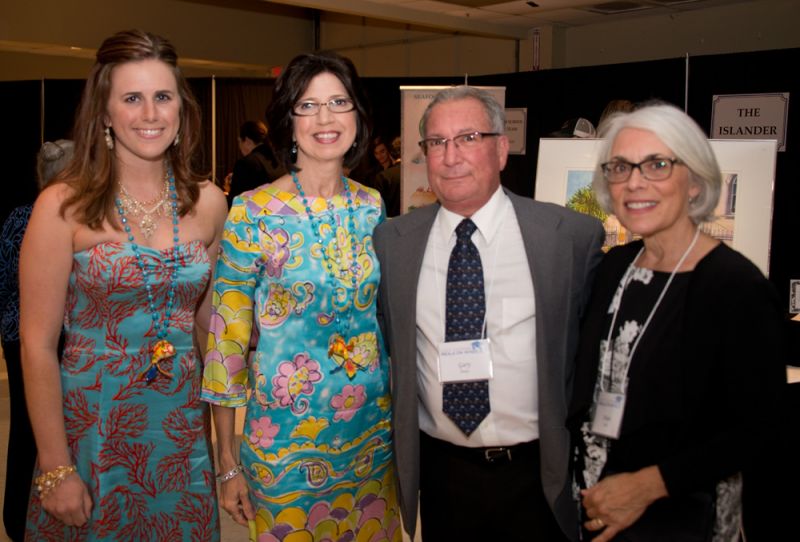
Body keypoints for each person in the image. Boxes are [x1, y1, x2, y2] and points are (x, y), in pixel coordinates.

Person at [19, 30, 227, 540]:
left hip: (179, 429)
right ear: (106, 113)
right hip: (93, 428)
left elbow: (211, 325)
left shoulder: (208, 203)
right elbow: (37, 344)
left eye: (163, 97)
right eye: (132, 98)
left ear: (181, 108)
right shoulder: (61, 207)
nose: (150, 114)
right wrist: (55, 465)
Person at [374, 85, 605, 541]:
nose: (450, 155)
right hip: (443, 474)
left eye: (468, 138)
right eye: (436, 142)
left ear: (501, 149)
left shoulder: (569, 237)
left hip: (537, 475)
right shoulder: (393, 243)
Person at [202, 50, 401, 541]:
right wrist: (227, 461)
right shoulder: (253, 212)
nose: (326, 118)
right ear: (288, 120)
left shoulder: (372, 206)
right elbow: (226, 342)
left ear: (358, 115)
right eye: (308, 106)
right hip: (285, 445)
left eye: (339, 102)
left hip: (371, 439)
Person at [568, 102, 786, 541]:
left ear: (694, 182)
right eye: (621, 167)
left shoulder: (734, 286)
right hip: (595, 506)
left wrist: (643, 488)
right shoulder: (616, 266)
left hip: (679, 516)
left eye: (657, 164)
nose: (634, 182)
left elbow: (761, 428)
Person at [0, 139, 74, 541]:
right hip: (52, 337)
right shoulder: (67, 220)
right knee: (49, 426)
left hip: (15, 336)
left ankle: (16, 519)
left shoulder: (17, 217)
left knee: (25, 430)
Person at [225, 119, 284, 206]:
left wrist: (230, 189)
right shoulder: (280, 160)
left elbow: (236, 204)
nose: (239, 147)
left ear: (248, 141)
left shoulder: (246, 163)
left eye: (239, 141)